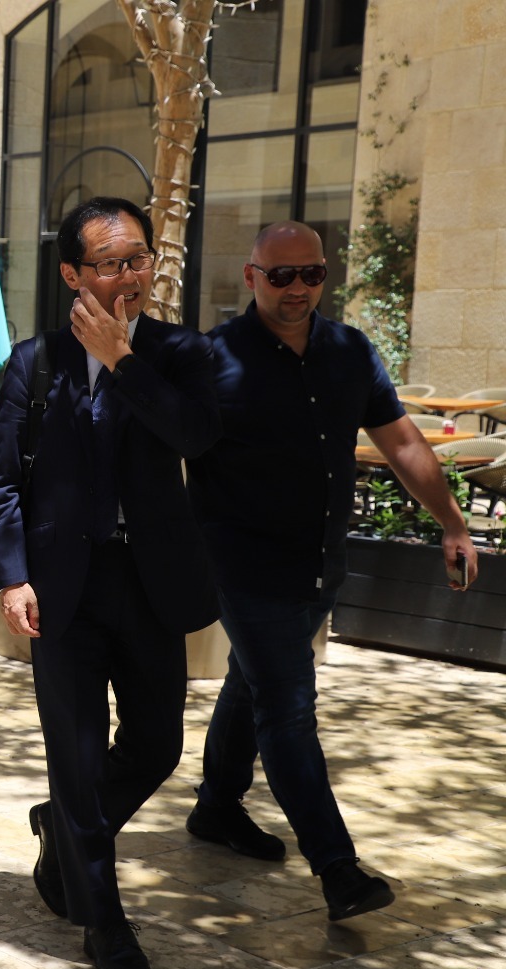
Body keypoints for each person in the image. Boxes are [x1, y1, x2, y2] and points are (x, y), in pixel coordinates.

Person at [184, 221, 478, 919]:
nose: (297, 289)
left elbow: (401, 441)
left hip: (319, 560)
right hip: (242, 561)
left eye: (311, 274)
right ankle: (338, 869)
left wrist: (453, 522)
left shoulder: (349, 351)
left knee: (253, 684)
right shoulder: (211, 358)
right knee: (288, 705)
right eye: (280, 276)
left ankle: (217, 809)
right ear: (251, 276)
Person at [0, 196, 220, 969]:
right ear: (73, 275)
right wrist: (11, 575)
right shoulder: (34, 362)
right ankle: (105, 924)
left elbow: (198, 435)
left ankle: (62, 833)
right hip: (62, 590)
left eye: (140, 260)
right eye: (112, 264)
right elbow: (4, 480)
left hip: (150, 585)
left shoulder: (178, 353)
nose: (130, 277)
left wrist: (124, 360)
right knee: (76, 763)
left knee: (156, 747)